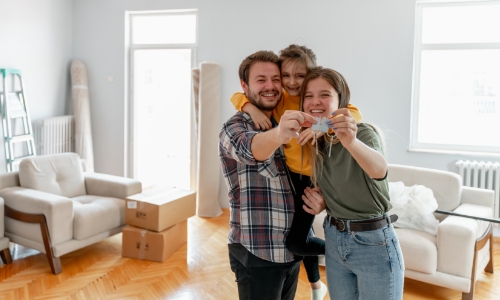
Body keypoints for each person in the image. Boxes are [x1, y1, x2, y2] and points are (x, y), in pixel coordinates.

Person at [230, 44, 363, 300]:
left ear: (311, 75)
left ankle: (345, 254)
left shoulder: (317, 101)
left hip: (312, 179)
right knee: (302, 235)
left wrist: (323, 126)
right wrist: (251, 108)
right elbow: (236, 96)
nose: (292, 82)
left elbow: (354, 114)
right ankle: (316, 285)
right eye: (286, 76)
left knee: (297, 242)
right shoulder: (279, 101)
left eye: (300, 76)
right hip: (290, 176)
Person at [218, 50, 322, 300]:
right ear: (245, 85)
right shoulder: (235, 126)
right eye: (261, 80)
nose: (271, 86)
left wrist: (322, 201)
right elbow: (249, 148)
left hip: (290, 253)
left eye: (276, 79)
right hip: (258, 253)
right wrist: (278, 134)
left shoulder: (285, 116)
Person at [300, 66, 405, 300]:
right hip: (335, 240)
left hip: (373, 244)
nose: (315, 101)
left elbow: (379, 170)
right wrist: (325, 203)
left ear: (341, 101)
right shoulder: (317, 144)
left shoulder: (363, 133)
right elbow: (343, 186)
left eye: (324, 94)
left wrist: (350, 142)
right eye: (308, 95)